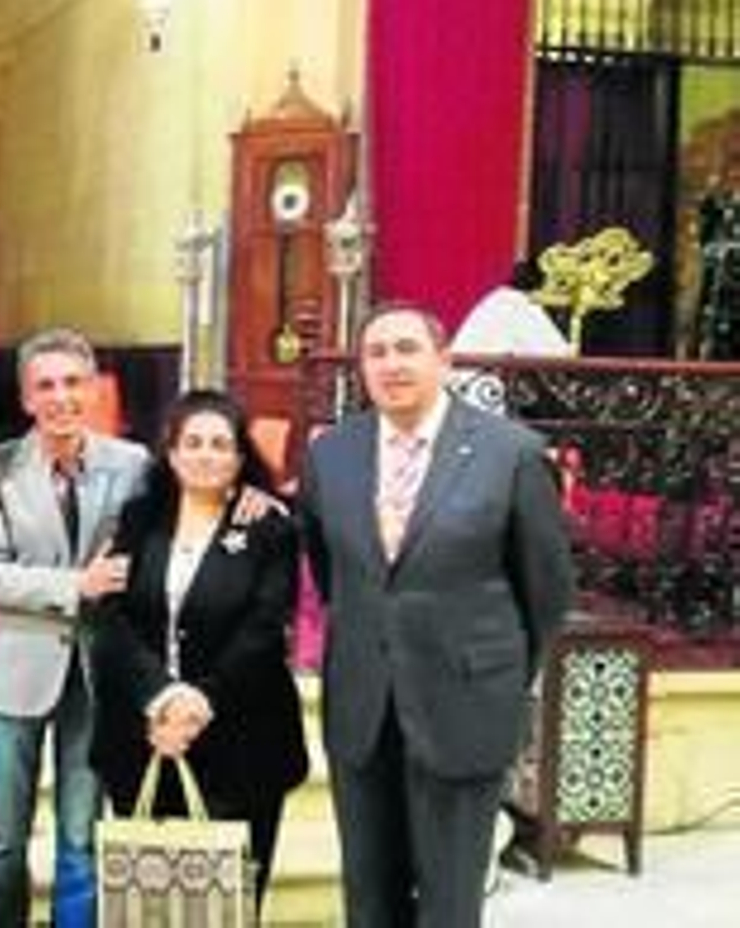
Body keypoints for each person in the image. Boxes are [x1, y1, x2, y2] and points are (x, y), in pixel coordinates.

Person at [298, 302, 574, 928]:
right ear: (362, 368)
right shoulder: (332, 454)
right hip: (364, 702)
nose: (392, 364)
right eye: (377, 352)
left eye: (407, 349)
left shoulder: (512, 454)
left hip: (465, 700)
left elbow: (547, 592)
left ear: (443, 360)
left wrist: (494, 672)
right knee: (370, 894)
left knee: (450, 900)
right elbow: (329, 567)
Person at [90, 388, 308, 914]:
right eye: (193, 442)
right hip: (145, 733)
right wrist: (160, 696)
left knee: (229, 901)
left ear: (239, 457)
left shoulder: (267, 526)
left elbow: (264, 626)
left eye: (220, 444)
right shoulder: (139, 518)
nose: (206, 454)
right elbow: (109, 615)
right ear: (171, 451)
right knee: (154, 900)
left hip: (242, 735)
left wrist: (199, 701)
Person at [0, 327, 149, 927]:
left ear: (93, 389)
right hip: (19, 670)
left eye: (73, 382)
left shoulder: (135, 465)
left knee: (81, 837)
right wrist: (74, 586)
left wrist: (256, 503)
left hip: (98, 675)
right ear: (25, 398)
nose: (61, 397)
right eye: (46, 386)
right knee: (4, 841)